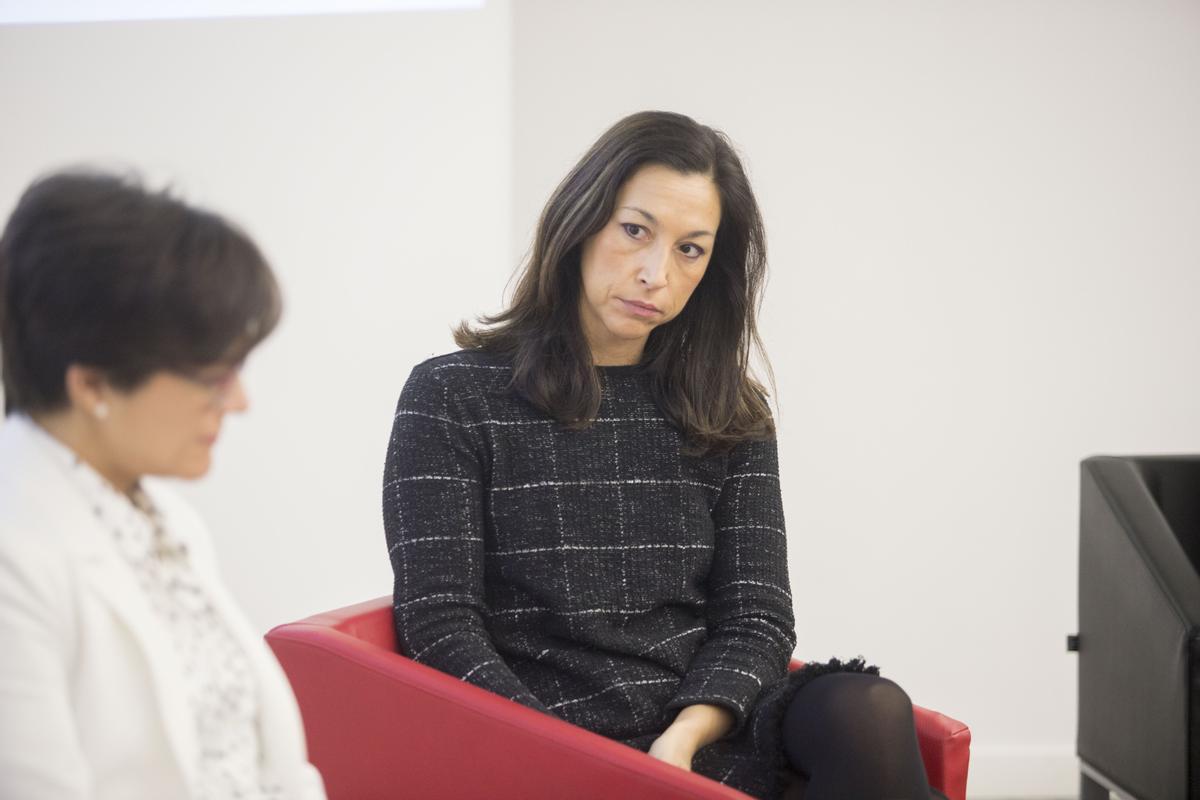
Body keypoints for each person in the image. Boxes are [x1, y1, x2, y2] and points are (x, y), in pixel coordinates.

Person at [383, 111, 942, 800]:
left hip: (703, 726)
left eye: (690, 250)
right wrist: (569, 757)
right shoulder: (452, 394)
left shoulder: (730, 408)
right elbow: (440, 625)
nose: (656, 274)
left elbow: (757, 618)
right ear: (581, 222)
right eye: (635, 230)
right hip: (546, 731)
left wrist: (679, 738)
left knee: (867, 708)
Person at [0, 171, 326, 800]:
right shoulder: (16, 555)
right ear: (92, 385)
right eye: (213, 376)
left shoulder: (165, 523)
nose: (238, 402)